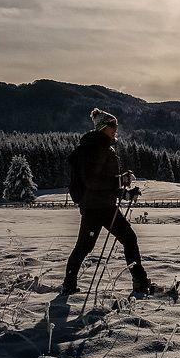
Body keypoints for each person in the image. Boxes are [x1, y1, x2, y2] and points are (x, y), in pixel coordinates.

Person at [63, 108, 152, 295]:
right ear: (102, 127)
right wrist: (121, 180)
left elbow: (105, 183)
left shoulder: (105, 148)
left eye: (116, 125)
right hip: (93, 208)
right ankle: (68, 285)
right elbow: (93, 182)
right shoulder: (91, 149)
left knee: (129, 238)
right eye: (112, 125)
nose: (115, 129)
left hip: (106, 206)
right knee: (84, 247)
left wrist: (125, 194)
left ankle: (140, 281)